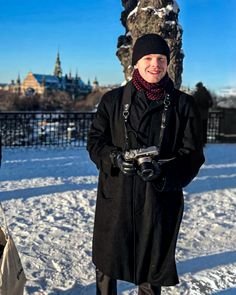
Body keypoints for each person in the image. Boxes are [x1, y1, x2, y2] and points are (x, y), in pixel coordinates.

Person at [87, 33, 205, 295]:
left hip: (158, 200)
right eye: (148, 58)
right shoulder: (112, 101)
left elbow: (193, 155)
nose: (155, 64)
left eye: (161, 58)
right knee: (108, 264)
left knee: (151, 270)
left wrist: (164, 174)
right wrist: (114, 159)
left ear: (168, 63)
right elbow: (95, 142)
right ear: (136, 63)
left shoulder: (183, 105)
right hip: (116, 198)